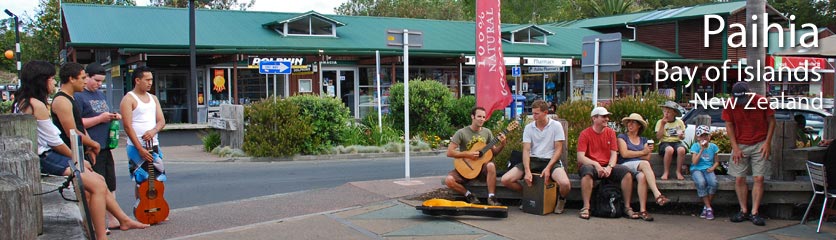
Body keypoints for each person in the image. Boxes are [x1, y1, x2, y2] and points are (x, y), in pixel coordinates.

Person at [16, 61, 147, 239]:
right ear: (42, 81)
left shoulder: (25, 102)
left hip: (47, 154)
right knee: (97, 185)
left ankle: (121, 220)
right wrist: (78, 156)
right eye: (51, 79)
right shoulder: (40, 105)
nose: (53, 83)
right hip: (46, 157)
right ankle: (100, 235)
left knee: (99, 181)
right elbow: (56, 140)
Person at [500, 100, 570, 214]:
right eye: (533, 113)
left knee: (565, 183)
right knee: (505, 179)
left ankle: (561, 199)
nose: (534, 116)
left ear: (545, 112)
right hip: (532, 160)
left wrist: (548, 168)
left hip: (550, 160)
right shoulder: (529, 127)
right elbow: (526, 150)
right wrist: (527, 171)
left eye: (537, 113)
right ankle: (530, 195)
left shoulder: (556, 126)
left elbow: (558, 150)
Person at [75, 62, 122, 229]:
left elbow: (103, 114)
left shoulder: (100, 95)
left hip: (106, 145)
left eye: (101, 81)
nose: (98, 84)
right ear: (86, 77)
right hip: (92, 146)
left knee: (110, 182)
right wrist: (99, 119)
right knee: (97, 185)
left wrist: (112, 117)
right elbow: (77, 124)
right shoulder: (79, 96)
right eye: (96, 80)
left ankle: (113, 218)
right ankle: (99, 222)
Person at [722, 81, 775, 226]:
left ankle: (755, 212)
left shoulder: (761, 101)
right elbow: (729, 124)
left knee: (759, 178)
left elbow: (771, 121)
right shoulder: (731, 103)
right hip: (740, 142)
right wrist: (735, 147)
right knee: (739, 178)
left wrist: (767, 143)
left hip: (759, 141)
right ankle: (743, 209)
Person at [577, 106, 635, 220]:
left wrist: (609, 167)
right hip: (591, 165)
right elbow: (580, 157)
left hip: (607, 165)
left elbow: (614, 154)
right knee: (587, 172)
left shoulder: (611, 133)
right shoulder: (585, 134)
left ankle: (627, 207)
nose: (607, 119)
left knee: (626, 173)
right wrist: (597, 165)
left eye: (607, 116)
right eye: (603, 116)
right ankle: (586, 207)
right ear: (594, 118)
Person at [120, 66, 167, 197]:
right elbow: (127, 126)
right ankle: (141, 208)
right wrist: (140, 148)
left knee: (159, 178)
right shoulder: (128, 99)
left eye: (151, 79)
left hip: (153, 144)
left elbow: (161, 121)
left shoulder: (153, 98)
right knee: (141, 180)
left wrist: (153, 131)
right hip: (136, 146)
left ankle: (158, 207)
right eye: (147, 80)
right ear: (137, 80)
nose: (150, 83)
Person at [445, 106, 507, 206]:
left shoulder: (487, 132)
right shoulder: (461, 133)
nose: (482, 119)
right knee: (448, 180)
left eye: (483, 117)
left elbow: (494, 152)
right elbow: (449, 152)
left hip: (481, 169)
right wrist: (467, 154)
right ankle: (469, 195)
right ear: (472, 117)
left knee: (491, 165)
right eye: (479, 116)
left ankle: (491, 197)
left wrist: (503, 144)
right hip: (465, 168)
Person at [617, 113, 668, 221]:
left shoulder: (644, 140)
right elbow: (624, 154)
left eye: (633, 122)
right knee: (644, 165)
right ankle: (657, 194)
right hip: (625, 165)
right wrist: (642, 152)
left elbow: (647, 157)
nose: (630, 124)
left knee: (642, 177)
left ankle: (643, 210)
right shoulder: (622, 137)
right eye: (629, 122)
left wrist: (644, 152)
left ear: (639, 125)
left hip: (639, 166)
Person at [689, 125, 720, 220]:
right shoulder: (695, 146)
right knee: (701, 182)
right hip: (696, 169)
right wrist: (701, 149)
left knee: (713, 183)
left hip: (708, 169)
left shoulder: (713, 147)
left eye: (706, 135)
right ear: (698, 137)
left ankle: (706, 207)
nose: (704, 138)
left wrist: (713, 168)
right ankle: (709, 208)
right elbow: (694, 162)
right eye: (702, 136)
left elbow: (717, 162)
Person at [656, 101, 687, 180]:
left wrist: (681, 136)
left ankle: (678, 171)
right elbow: (658, 137)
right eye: (665, 111)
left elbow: (682, 137)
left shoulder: (679, 122)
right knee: (669, 150)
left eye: (669, 112)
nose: (666, 114)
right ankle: (666, 172)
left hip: (676, 142)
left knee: (681, 149)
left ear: (674, 113)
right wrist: (663, 125)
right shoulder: (660, 122)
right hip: (664, 142)